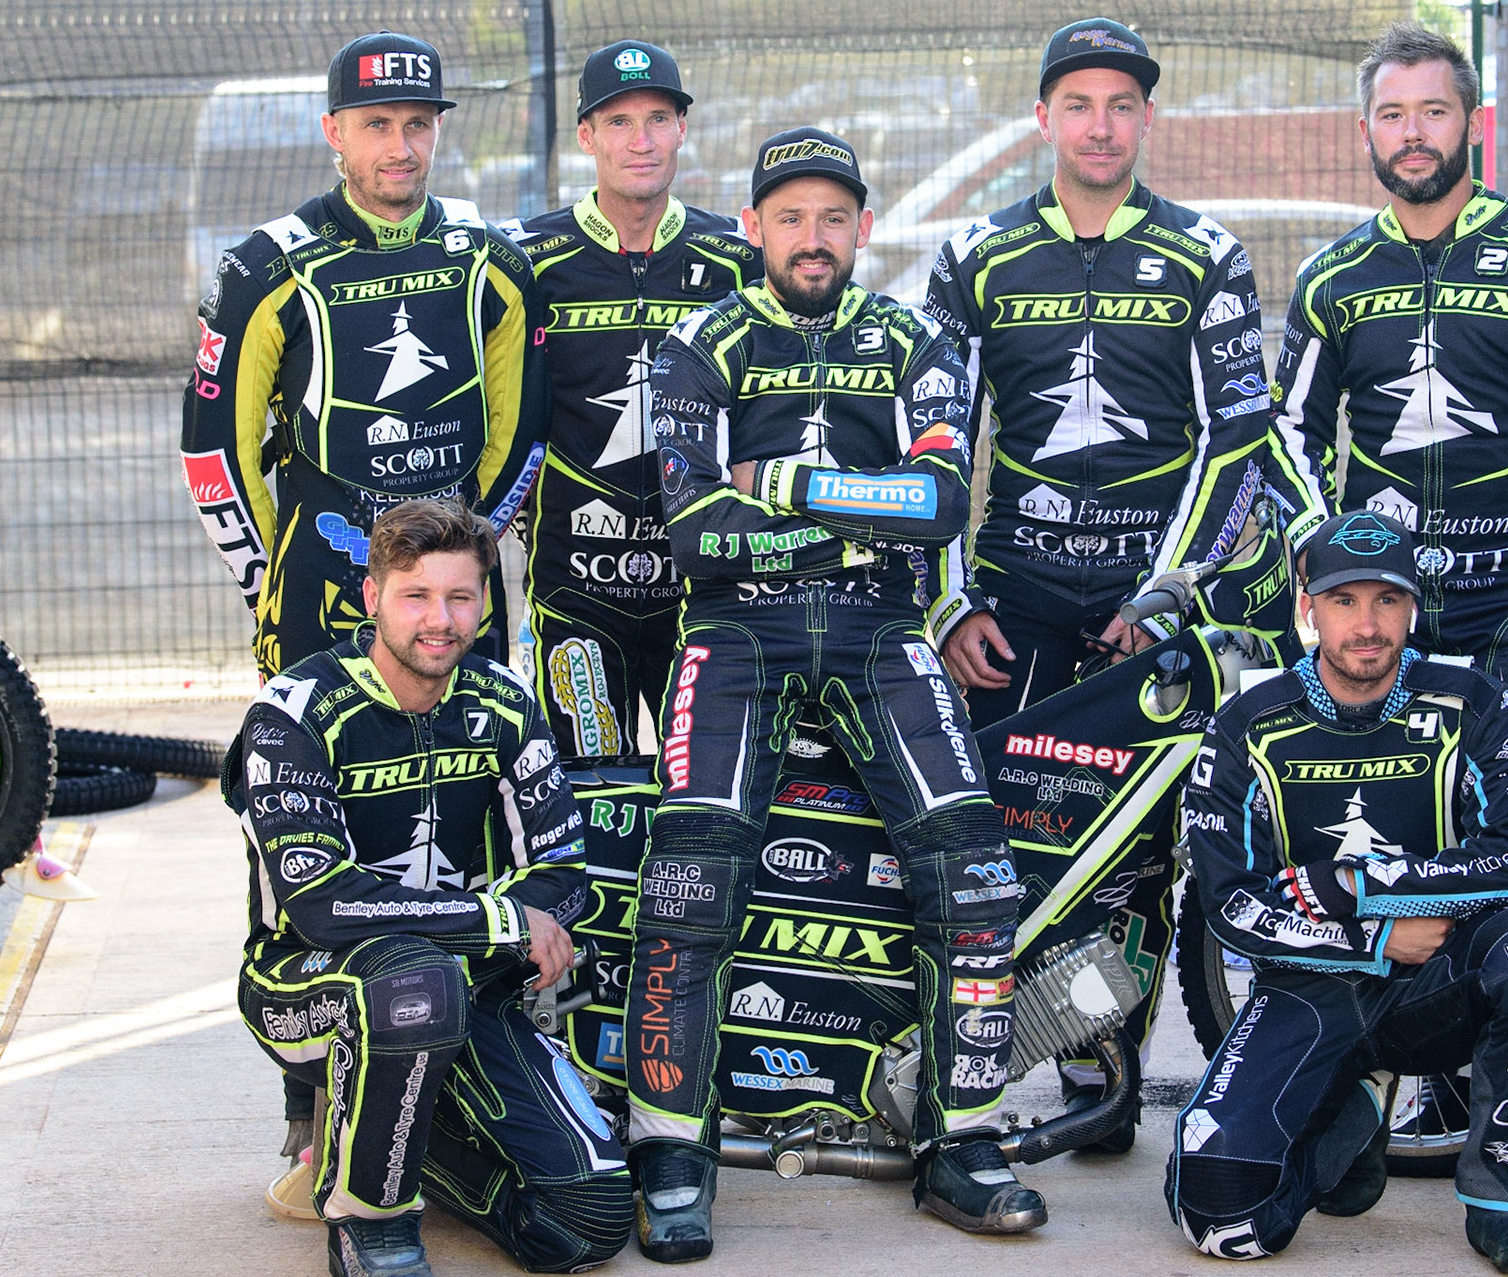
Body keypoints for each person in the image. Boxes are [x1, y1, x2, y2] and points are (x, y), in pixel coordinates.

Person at [618, 127, 1044, 1262]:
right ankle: (671, 1146)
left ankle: (963, 1140)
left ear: (862, 226)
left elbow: (942, 505)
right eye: (791, 217)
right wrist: (866, 503)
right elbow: (697, 529)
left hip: (878, 631)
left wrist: (790, 483)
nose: (815, 238)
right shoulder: (698, 343)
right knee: (691, 874)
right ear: (752, 226)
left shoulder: (913, 340)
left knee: (974, 872)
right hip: (736, 628)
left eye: (835, 217)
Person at [1261, 22, 1508, 1176]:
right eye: (1392, 114)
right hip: (1390, 621)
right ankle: (1427, 1080)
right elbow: (1281, 434)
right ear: (1366, 131)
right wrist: (1314, 569)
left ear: (1467, 124)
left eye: (1432, 112)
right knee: (1407, 843)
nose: (1411, 134)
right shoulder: (1335, 279)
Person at [1165, 510, 1508, 1274]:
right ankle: (1354, 1108)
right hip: (1310, 985)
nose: (1367, 625)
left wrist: (1354, 886)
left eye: (1387, 600)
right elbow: (1230, 906)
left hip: (1443, 975)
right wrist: (1369, 934)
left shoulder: (1476, 701)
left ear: (1412, 606)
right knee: (1221, 1219)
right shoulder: (1243, 727)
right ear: (1309, 607)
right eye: (1344, 601)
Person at [226, 498, 630, 1277]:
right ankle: (368, 1217)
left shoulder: (504, 700)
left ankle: (410, 1142)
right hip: (296, 984)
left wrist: (503, 929)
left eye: (461, 596)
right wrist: (496, 918)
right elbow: (320, 901)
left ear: (484, 601)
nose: (439, 619)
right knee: (415, 983)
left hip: (465, 982)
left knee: (589, 1220)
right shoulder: (293, 712)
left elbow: (560, 871)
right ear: (374, 596)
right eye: (417, 595)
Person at [924, 17, 1275, 727]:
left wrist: (1169, 590)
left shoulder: (1208, 255)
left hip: (1161, 583)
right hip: (1015, 591)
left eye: (1120, 106)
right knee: (1007, 816)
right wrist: (949, 602)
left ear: (1147, 118)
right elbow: (935, 441)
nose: (1101, 127)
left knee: (1194, 813)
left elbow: (1237, 431)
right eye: (1078, 106)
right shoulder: (972, 256)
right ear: (1042, 121)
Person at [182, 30, 548, 681]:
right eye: (376, 124)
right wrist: (265, 582)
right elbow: (215, 451)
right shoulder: (267, 270)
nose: (400, 148)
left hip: (454, 598)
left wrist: (465, 563)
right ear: (334, 130)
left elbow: (521, 434)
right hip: (316, 596)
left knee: (466, 777)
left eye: (418, 124)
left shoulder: (493, 262)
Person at [504, 41, 760, 760]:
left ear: (683, 127)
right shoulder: (527, 259)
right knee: (590, 803)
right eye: (617, 122)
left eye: (657, 118)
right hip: (576, 593)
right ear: (585, 136)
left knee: (710, 793)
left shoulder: (739, 259)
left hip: (706, 592)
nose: (640, 141)